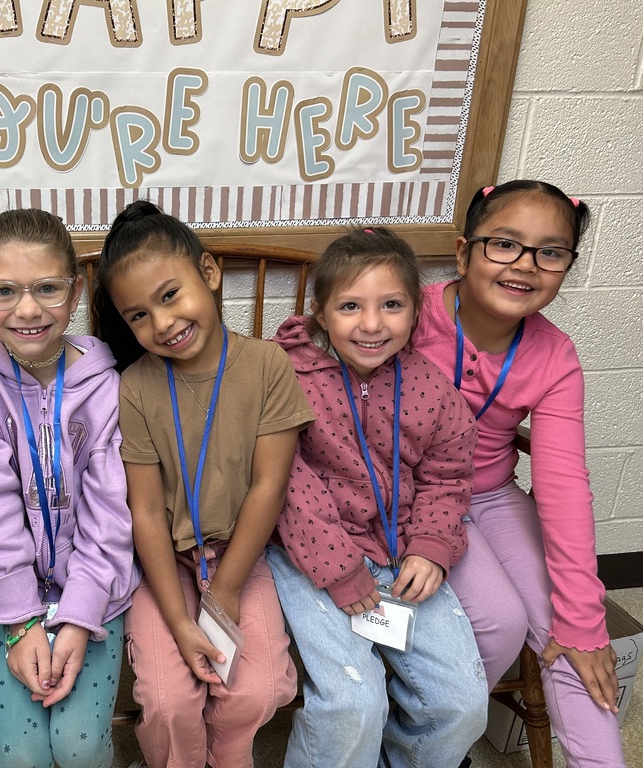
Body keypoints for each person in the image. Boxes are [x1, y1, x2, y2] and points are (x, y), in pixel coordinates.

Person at [413, 180, 626, 767]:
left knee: (577, 632)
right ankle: (429, 740)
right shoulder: (407, 313)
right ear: (463, 253)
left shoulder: (555, 355)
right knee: (500, 621)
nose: (525, 265)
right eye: (505, 244)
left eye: (550, 252)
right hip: (415, 499)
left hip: (491, 495)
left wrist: (584, 619)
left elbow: (562, 486)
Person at [93, 200, 311, 768]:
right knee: (166, 703)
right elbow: (143, 513)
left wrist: (228, 589)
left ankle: (226, 758)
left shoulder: (268, 366)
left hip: (240, 555)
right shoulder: (136, 387)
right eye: (138, 315)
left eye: (170, 295)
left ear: (209, 273)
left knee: (258, 689)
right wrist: (181, 620)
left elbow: (269, 486)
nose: (161, 323)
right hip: (162, 561)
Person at [266, 227, 488, 768]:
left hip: (405, 552)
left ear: (416, 311)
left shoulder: (429, 385)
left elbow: (449, 472)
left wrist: (432, 545)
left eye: (391, 304)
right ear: (319, 311)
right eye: (350, 306)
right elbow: (285, 485)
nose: (371, 324)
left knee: (462, 702)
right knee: (352, 702)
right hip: (313, 556)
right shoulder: (282, 377)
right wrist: (340, 568)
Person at [0, 208, 139, 768]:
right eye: (4, 291)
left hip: (96, 589)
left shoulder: (104, 381)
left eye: (47, 288)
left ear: (75, 292)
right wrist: (23, 619)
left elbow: (111, 510)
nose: (27, 309)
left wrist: (79, 617)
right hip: (7, 598)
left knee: (78, 749)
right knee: (22, 756)